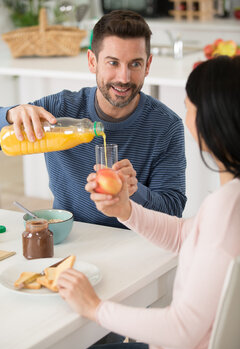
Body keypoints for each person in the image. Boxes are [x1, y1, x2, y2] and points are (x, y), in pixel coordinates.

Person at [57, 55, 240, 349]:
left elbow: (183, 327)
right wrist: (126, 211)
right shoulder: (228, 201)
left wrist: (95, 308)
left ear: (211, 120)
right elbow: (185, 236)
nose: (185, 113)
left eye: (189, 106)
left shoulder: (226, 209)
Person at [0, 10, 186, 229]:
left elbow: (173, 210)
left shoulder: (166, 126)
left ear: (147, 65)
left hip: (136, 241)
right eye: (113, 63)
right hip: (72, 235)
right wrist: (10, 114)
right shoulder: (58, 110)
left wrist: (135, 191)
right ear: (92, 61)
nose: (124, 78)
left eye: (135, 64)